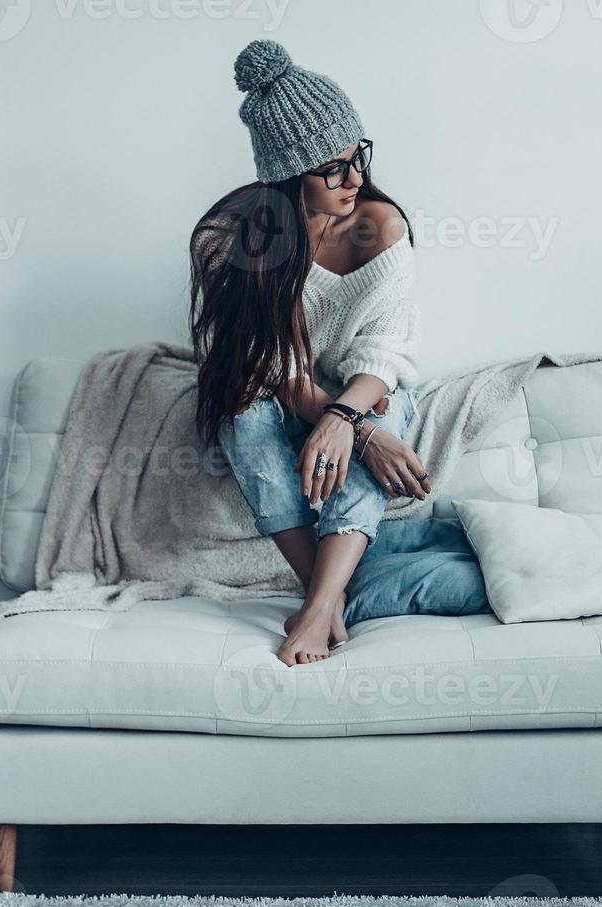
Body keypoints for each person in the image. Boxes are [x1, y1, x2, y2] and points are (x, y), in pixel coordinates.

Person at [190, 40, 431, 666]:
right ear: (289, 175)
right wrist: (347, 423)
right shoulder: (229, 241)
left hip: (360, 391)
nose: (355, 179)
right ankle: (328, 593)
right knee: (240, 413)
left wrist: (353, 420)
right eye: (332, 167)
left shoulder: (382, 227)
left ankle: (320, 606)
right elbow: (265, 367)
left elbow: (385, 354)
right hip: (279, 393)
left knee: (387, 412)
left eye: (359, 157)